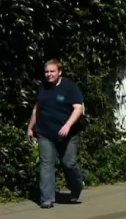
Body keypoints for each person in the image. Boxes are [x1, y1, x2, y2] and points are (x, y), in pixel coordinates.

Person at [27, 59, 85, 209]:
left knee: (68, 163)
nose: (49, 74)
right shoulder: (43, 88)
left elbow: (78, 109)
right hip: (45, 132)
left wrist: (67, 125)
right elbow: (37, 108)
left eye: (52, 71)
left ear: (59, 72)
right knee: (46, 164)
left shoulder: (70, 87)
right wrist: (30, 127)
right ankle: (47, 199)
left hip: (69, 134)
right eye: (47, 72)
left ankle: (76, 187)